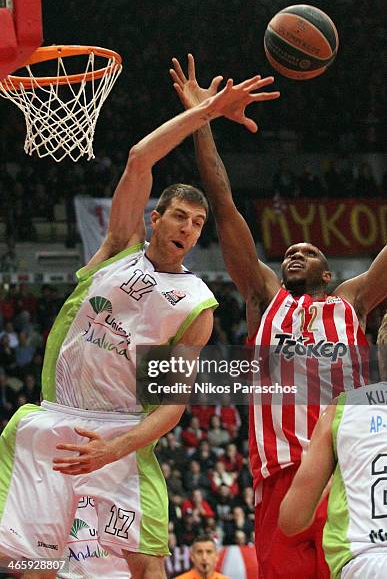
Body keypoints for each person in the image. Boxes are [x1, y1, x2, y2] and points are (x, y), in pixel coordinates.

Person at [0, 73, 277, 579]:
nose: (188, 228)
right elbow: (139, 158)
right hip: (55, 415)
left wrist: (113, 449)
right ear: (156, 218)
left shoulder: (196, 305)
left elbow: (172, 407)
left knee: (148, 565)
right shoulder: (117, 250)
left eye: (196, 223)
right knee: (34, 564)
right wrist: (206, 113)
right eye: (179, 217)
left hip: (122, 431)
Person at [170, 53, 387, 579]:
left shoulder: (351, 303)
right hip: (280, 478)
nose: (294, 253)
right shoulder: (265, 294)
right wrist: (201, 120)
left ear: (330, 273)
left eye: (309, 252)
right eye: (289, 250)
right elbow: (222, 203)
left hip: (348, 478)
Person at [279, 313, 387, 577]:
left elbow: (291, 520)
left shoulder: (342, 409)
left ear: (381, 357)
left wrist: (327, 483)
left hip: (364, 563)